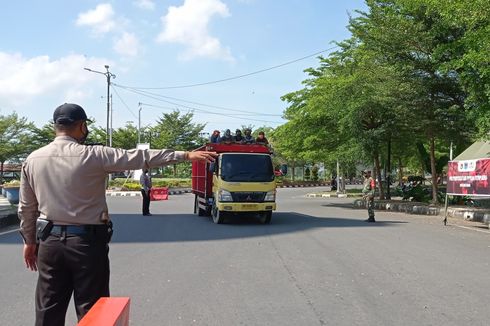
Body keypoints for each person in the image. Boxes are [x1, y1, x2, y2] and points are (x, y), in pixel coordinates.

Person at [18, 103, 217, 326]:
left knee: (48, 308)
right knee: (92, 310)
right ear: (82, 126)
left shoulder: (32, 159)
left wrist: (29, 241)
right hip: (86, 244)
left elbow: (27, 207)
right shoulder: (95, 155)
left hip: (49, 244)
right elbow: (140, 157)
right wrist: (186, 155)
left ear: (56, 126)